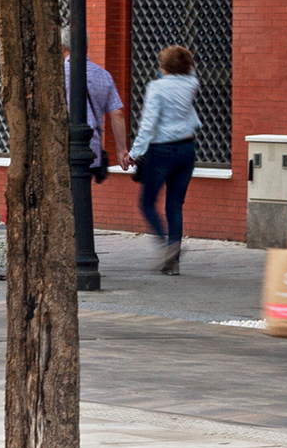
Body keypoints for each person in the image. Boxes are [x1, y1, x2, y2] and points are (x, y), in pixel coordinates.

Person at [129, 45, 201, 275]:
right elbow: (190, 72)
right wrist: (184, 62)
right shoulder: (191, 84)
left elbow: (148, 124)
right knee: (175, 207)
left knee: (147, 203)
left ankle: (165, 246)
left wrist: (134, 152)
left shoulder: (157, 88)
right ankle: (174, 262)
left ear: (165, 66)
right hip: (187, 149)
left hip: (162, 151)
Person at [61, 28, 131, 178]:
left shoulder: (58, 75)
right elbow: (117, 114)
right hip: (92, 147)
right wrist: (121, 150)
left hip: (61, 146)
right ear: (86, 46)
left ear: (63, 47)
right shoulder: (104, 75)